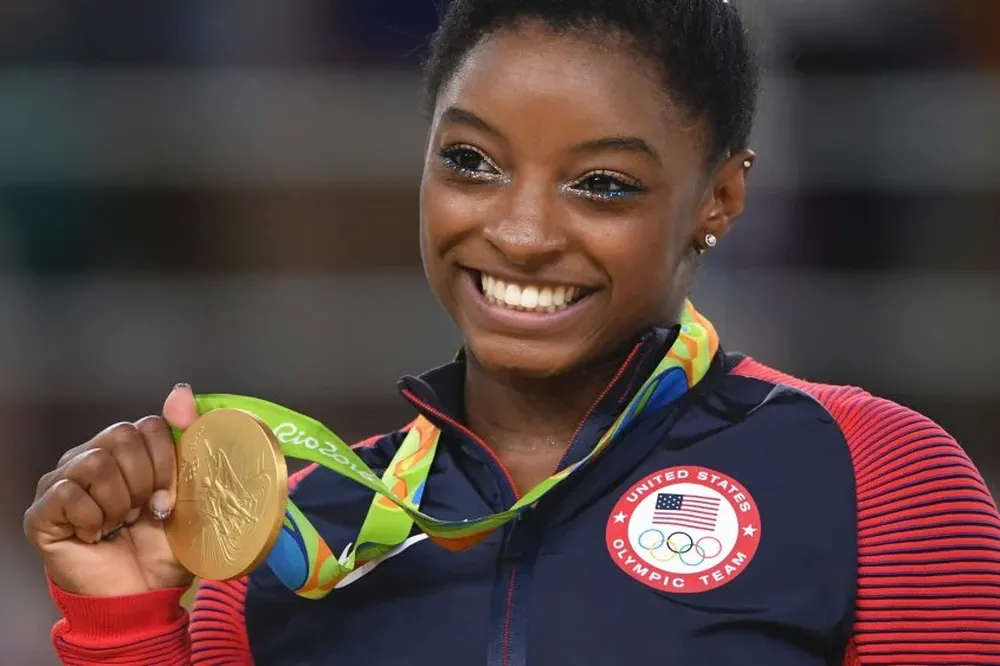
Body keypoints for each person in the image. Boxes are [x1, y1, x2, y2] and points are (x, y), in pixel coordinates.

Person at [23, 1, 1000, 664]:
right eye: (472, 162)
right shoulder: (294, 545)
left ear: (719, 198)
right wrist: (125, 618)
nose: (522, 233)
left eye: (602, 183)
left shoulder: (873, 480)